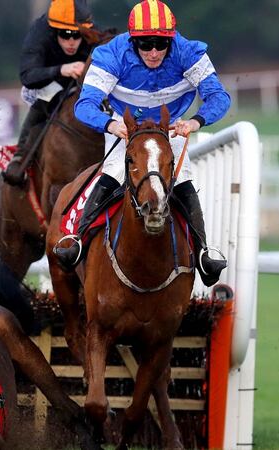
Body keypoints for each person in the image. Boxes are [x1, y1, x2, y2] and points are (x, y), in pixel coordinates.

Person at [53, 0, 230, 286]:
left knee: (182, 177)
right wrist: (111, 125)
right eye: (145, 44)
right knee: (113, 171)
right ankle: (79, 240)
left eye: (161, 44)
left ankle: (203, 253)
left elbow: (219, 96)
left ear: (172, 40)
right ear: (132, 41)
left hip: (169, 127)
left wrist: (195, 122)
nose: (154, 52)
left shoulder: (188, 52)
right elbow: (84, 105)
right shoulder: (112, 55)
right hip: (125, 126)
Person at [2, 0, 95, 185]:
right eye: (65, 34)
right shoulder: (40, 32)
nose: (71, 41)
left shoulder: (92, 30)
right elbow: (27, 76)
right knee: (45, 98)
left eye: (77, 35)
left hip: (85, 80)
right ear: (54, 30)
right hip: (48, 81)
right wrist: (61, 70)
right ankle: (20, 157)